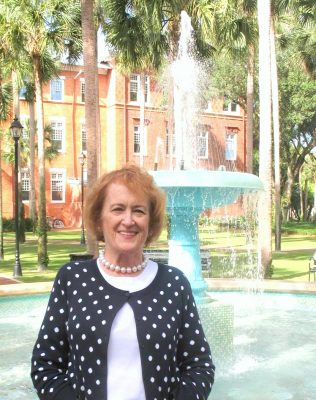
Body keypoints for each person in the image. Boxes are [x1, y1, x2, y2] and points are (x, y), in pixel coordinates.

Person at [31, 164, 215, 400]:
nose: (128, 220)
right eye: (118, 209)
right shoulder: (73, 279)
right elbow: (45, 365)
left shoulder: (174, 283)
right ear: (99, 219)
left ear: (150, 222)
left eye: (138, 211)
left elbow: (200, 366)